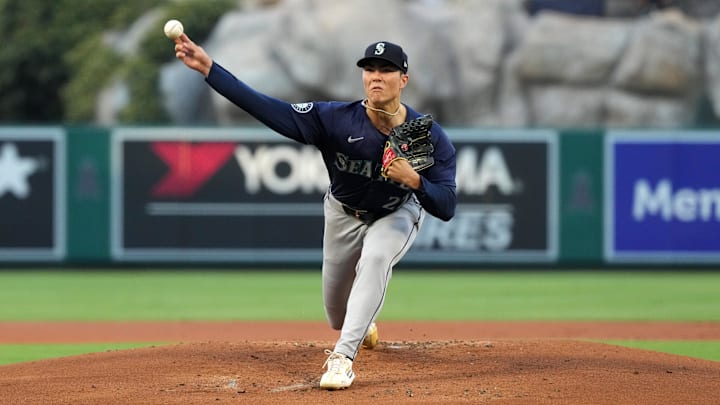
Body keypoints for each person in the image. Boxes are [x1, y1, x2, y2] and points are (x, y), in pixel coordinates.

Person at [173, 35, 457, 390]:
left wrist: (414, 180)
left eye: (387, 70)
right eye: (370, 69)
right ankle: (360, 321)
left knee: (376, 257)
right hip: (342, 212)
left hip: (395, 212)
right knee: (336, 314)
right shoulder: (335, 120)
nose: (376, 76)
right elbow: (267, 108)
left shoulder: (425, 137)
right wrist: (210, 70)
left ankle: (342, 359)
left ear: (404, 79)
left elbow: (446, 205)